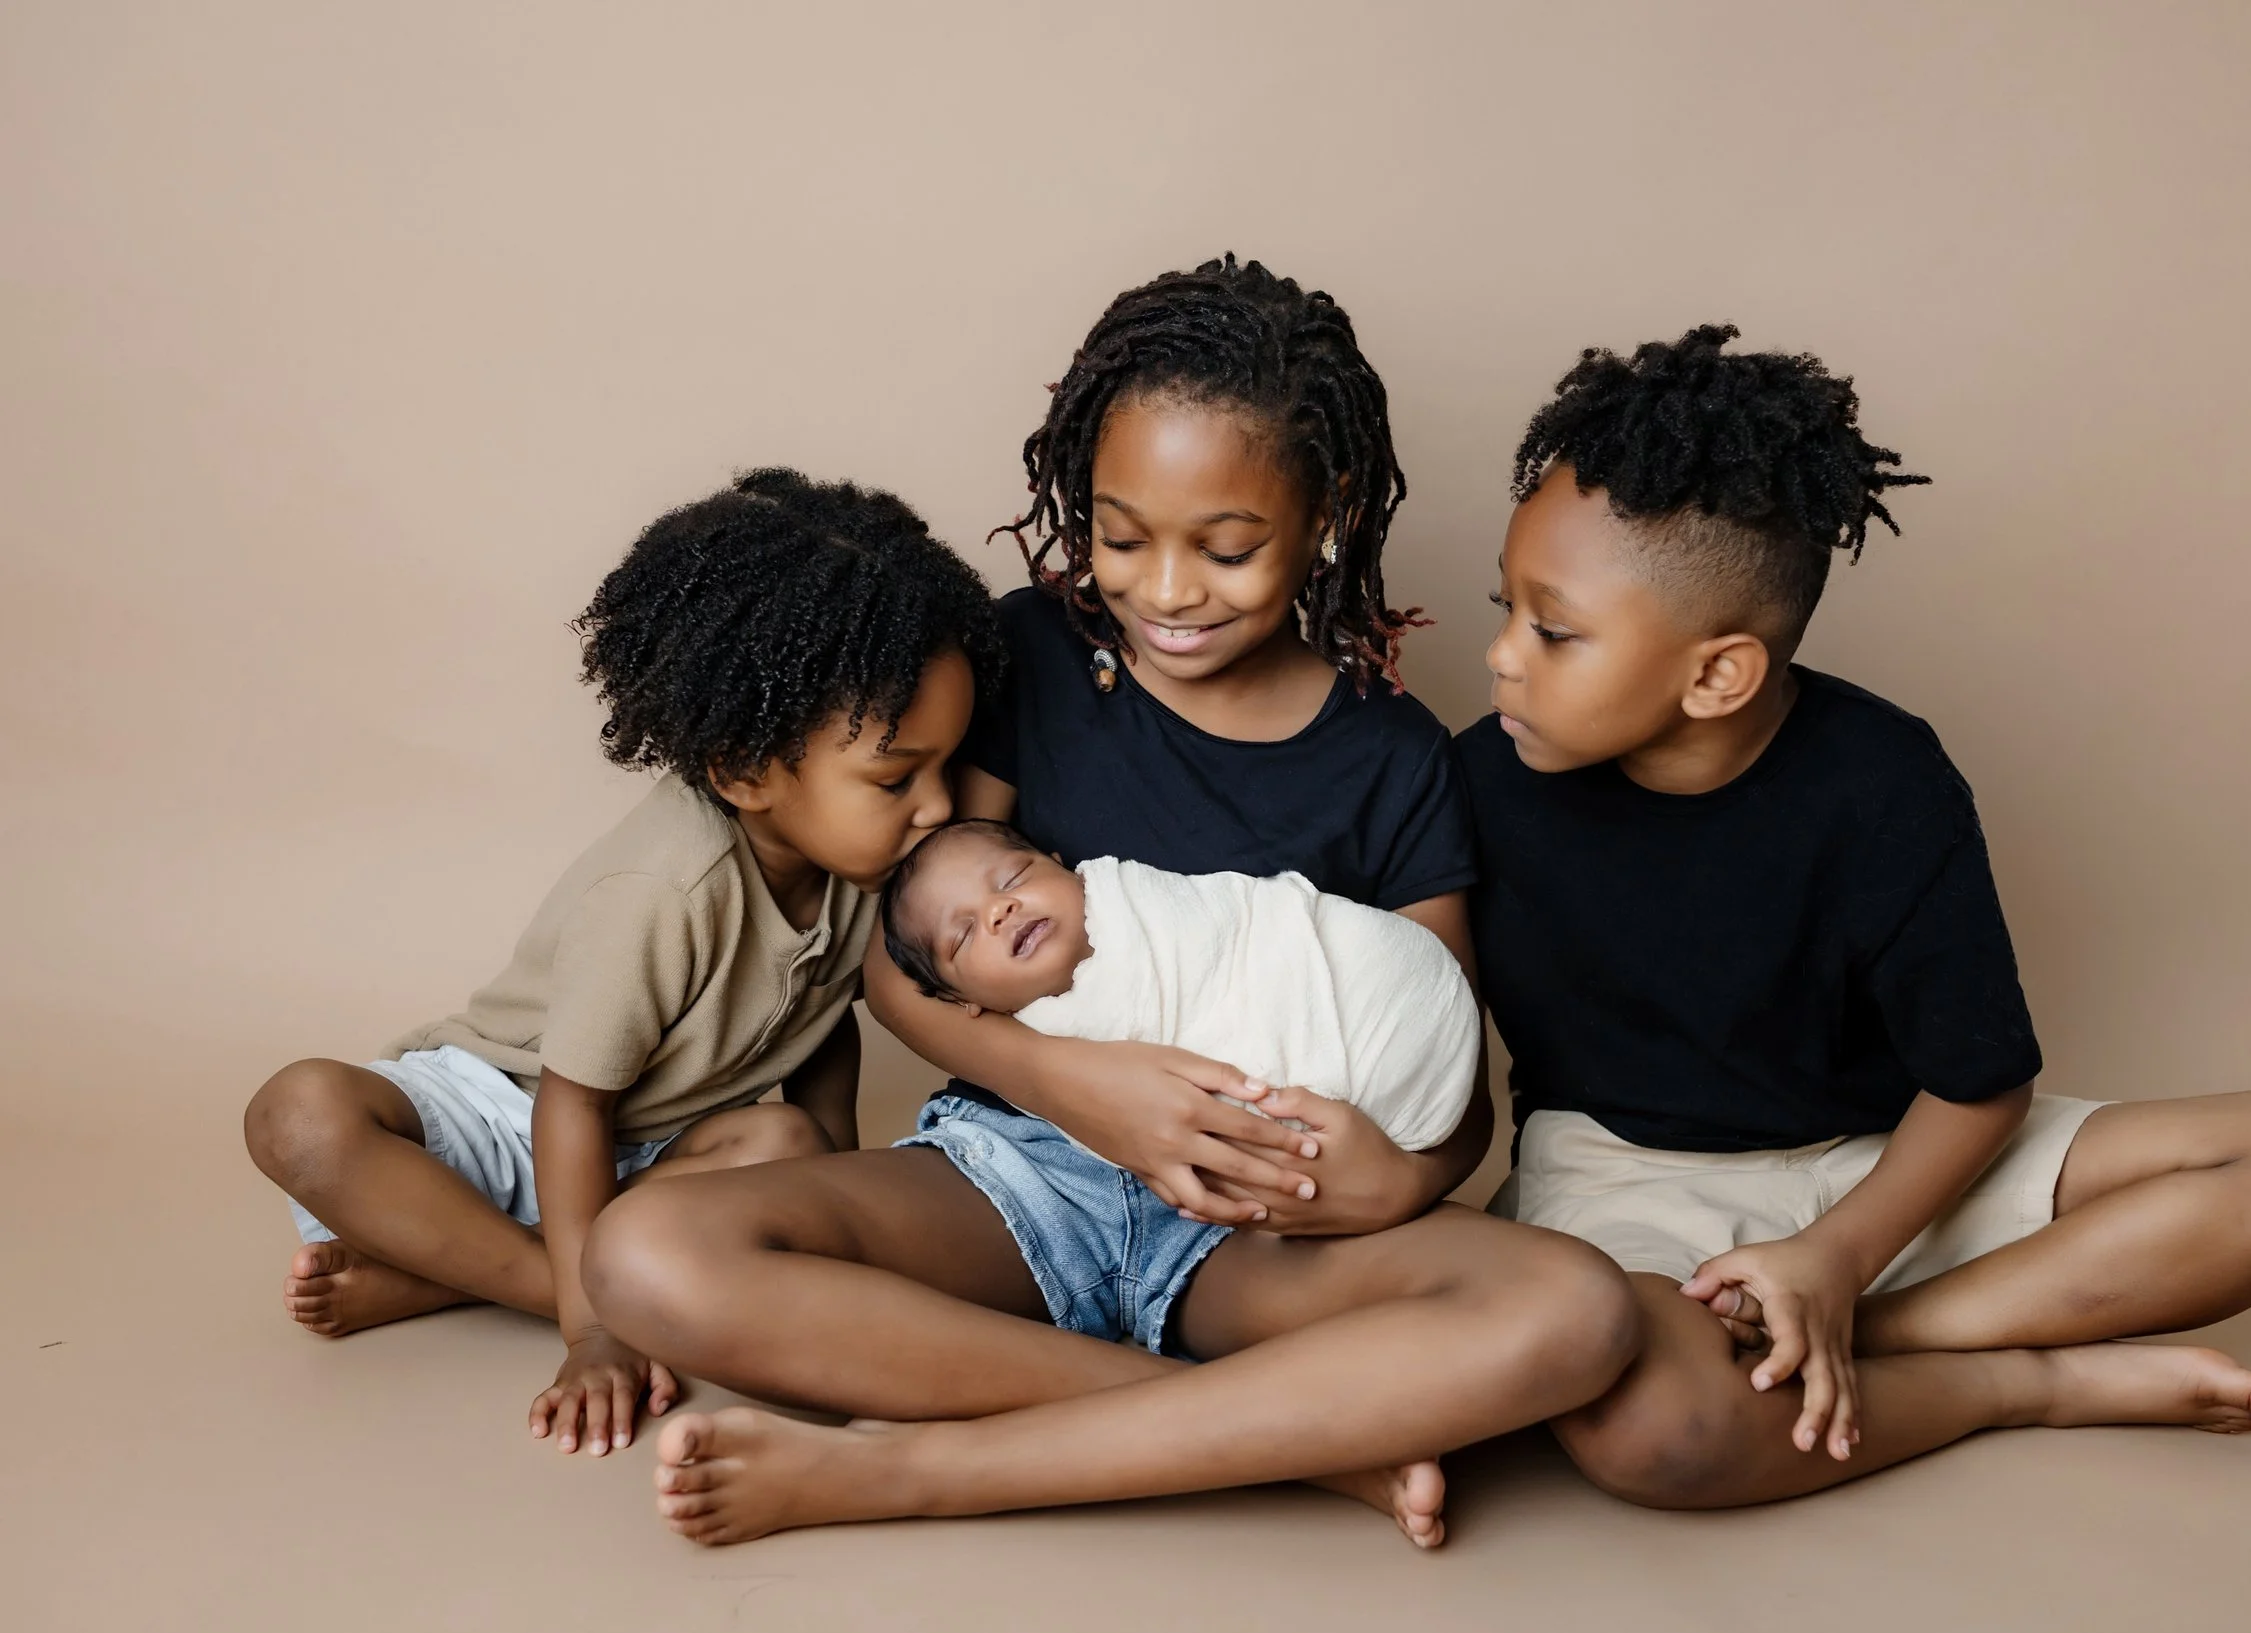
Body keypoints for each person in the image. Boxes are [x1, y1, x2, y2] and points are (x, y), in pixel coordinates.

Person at [583, 255, 1637, 1548]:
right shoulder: (1029, 656)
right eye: (1120, 535)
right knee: (648, 1255)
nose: (1167, 589)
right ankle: (1287, 1438)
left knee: (1578, 1310)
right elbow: (904, 950)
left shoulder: (1397, 756)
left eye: (1228, 545)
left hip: (1260, 1223)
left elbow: (1449, 1069)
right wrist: (1080, 1089)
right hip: (1014, 1177)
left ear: (1327, 513)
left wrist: (1384, 1182)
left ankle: (908, 1467)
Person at [1462, 327, 2251, 1506]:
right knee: (1659, 1431)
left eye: (1551, 629)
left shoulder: (1883, 780)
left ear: (1716, 674)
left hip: (1885, 1172)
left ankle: (1865, 1330)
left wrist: (1838, 1259)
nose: (1498, 658)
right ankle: (2028, 1382)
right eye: (1507, 608)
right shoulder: (1476, 784)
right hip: (1627, 1183)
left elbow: (1978, 1080)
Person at [241, 469, 1001, 1460]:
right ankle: (564, 1284)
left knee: (790, 1147)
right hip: (509, 1117)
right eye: (898, 777)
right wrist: (593, 1328)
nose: (937, 806)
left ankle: (442, 1276)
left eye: (946, 767)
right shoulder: (666, 888)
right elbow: (571, 1103)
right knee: (298, 1111)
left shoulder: (864, 864)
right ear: (744, 770)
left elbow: (821, 1035)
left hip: (657, 1158)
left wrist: (831, 1197)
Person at [877, 819, 1478, 1152]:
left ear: (1064, 866)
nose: (1000, 910)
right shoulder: (1041, 1045)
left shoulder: (1136, 900)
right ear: (964, 1003)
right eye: (963, 937)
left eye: (1012, 877)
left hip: (1381, 982)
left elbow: (1235, 928)